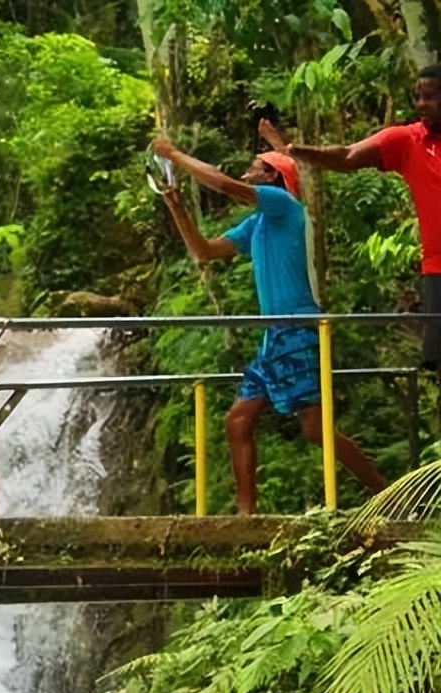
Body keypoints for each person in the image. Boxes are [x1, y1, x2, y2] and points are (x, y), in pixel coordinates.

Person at [153, 131, 387, 514]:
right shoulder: (258, 224)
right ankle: (247, 517)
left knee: (313, 427)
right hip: (273, 335)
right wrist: (176, 206)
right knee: (238, 421)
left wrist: (174, 155)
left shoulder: (283, 205)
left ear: (274, 176)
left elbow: (224, 184)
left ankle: (384, 492)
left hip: (297, 328)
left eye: (257, 166)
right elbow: (205, 251)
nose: (249, 171)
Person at [259, 64, 440, 372]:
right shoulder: (408, 141)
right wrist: (297, 150)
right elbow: (347, 156)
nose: (421, 103)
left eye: (431, 96)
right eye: (417, 97)